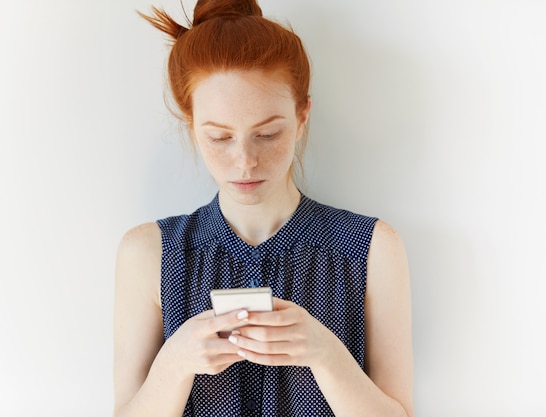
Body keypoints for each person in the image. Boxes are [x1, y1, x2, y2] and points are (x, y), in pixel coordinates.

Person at [113, 0, 413, 415]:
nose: (245, 161)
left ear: (302, 115)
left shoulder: (373, 247)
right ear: (191, 125)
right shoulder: (148, 253)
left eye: (268, 134)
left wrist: (326, 354)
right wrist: (176, 362)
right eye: (219, 137)